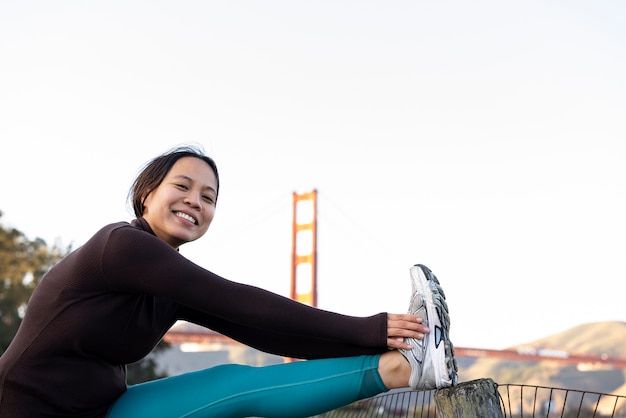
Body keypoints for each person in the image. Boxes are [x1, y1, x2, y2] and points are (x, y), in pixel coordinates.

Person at [0, 145, 457, 418]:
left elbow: (264, 330)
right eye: (181, 187)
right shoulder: (121, 246)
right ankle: (405, 362)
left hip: (100, 408)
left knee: (231, 380)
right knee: (230, 388)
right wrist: (373, 328)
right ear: (146, 195)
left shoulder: (166, 283)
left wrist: (373, 343)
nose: (194, 202)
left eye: (208, 197)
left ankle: (404, 366)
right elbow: (239, 302)